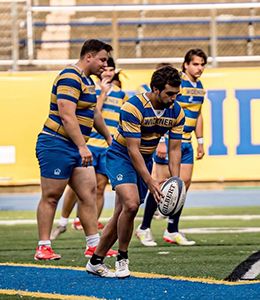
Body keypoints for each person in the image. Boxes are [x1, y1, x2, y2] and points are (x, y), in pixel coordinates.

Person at [86, 66, 185, 278]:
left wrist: (176, 181)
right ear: (155, 89)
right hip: (121, 156)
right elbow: (132, 149)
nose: (173, 98)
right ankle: (122, 257)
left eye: (177, 93)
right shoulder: (133, 107)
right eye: (169, 93)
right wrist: (150, 181)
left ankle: (96, 261)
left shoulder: (177, 111)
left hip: (145, 158)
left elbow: (174, 149)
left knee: (122, 213)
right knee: (131, 205)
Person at [34, 39, 113, 261]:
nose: (105, 65)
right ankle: (43, 246)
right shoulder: (70, 76)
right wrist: (82, 146)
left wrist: (108, 137)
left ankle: (93, 246)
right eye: (102, 59)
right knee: (51, 196)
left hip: (75, 145)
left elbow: (94, 113)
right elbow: (66, 115)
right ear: (88, 57)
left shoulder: (87, 81)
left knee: (88, 194)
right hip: (56, 144)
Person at [50, 57, 128, 248]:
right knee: (75, 186)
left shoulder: (121, 94)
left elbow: (120, 119)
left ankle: (89, 226)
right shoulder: (89, 87)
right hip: (89, 142)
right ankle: (63, 220)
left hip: (105, 147)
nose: (107, 72)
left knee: (99, 187)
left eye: (111, 70)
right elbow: (95, 112)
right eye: (105, 69)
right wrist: (102, 93)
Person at [136, 48, 207, 247]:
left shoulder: (200, 86)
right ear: (185, 64)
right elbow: (164, 109)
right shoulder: (177, 84)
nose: (199, 68)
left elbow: (198, 114)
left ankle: (172, 229)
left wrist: (200, 140)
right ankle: (144, 228)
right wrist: (161, 140)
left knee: (182, 185)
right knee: (159, 183)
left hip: (186, 143)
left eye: (202, 64)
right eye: (195, 64)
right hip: (170, 140)